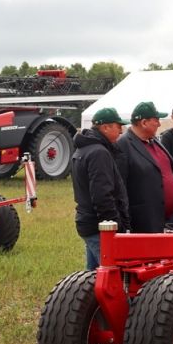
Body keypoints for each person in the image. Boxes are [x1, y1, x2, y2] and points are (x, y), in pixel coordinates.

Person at [71, 107, 131, 270]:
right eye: (118, 126)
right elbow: (102, 195)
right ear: (105, 127)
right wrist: (113, 227)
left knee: (93, 277)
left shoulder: (83, 149)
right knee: (114, 277)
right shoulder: (99, 152)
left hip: (88, 223)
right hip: (100, 228)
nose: (121, 130)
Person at [117, 101, 173, 233]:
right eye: (156, 120)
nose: (159, 124)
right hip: (146, 223)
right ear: (144, 123)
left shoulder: (155, 141)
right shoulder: (123, 146)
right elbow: (120, 190)